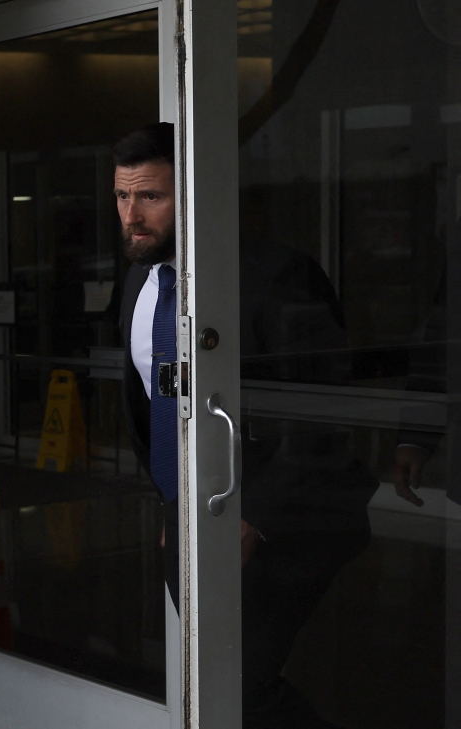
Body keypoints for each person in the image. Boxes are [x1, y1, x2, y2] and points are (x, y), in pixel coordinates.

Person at [116, 123, 376, 729]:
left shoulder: (277, 274)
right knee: (213, 683)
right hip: (189, 513)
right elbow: (151, 402)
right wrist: (172, 503)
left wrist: (253, 515)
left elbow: (324, 412)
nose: (132, 216)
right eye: (123, 196)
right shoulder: (138, 280)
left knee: (241, 687)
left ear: (196, 193)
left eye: (151, 196)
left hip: (280, 518)